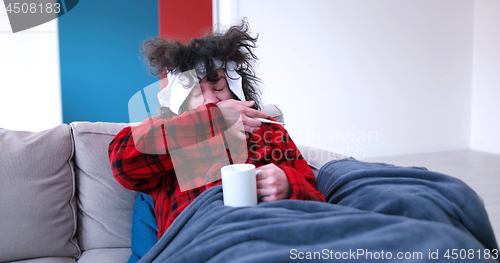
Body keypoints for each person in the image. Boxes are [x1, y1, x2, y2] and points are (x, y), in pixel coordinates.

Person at [108, 21, 325, 239]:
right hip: (200, 243)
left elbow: (319, 203)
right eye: (196, 94)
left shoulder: (267, 129)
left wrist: (289, 184)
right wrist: (214, 120)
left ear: (234, 89)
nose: (211, 100)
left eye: (218, 88)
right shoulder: (164, 132)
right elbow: (122, 163)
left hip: (270, 234)